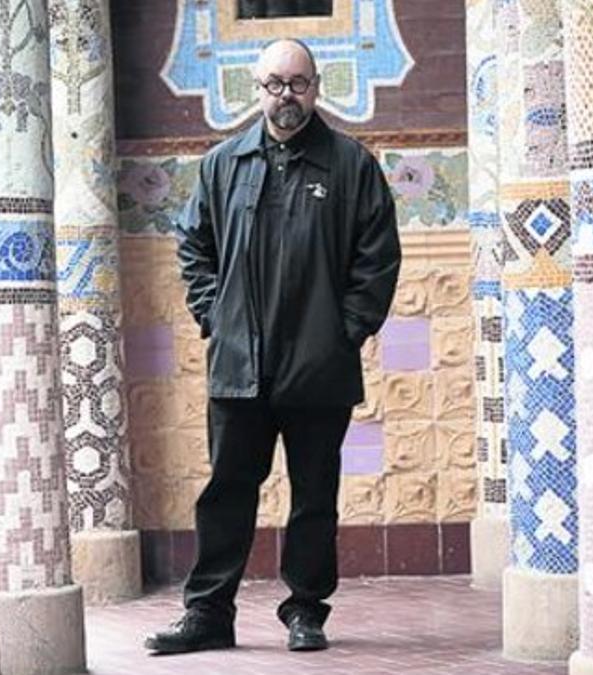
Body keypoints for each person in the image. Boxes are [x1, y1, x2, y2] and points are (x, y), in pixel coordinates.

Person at [143, 37, 401, 654]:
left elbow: (378, 259)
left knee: (315, 495)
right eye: (275, 84)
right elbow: (194, 248)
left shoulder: (350, 165)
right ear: (256, 90)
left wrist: (344, 335)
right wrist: (216, 316)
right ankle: (208, 614)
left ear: (316, 87)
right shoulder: (223, 164)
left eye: (299, 83)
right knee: (227, 490)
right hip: (238, 366)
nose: (287, 95)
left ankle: (306, 610)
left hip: (320, 369)